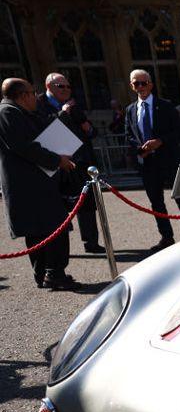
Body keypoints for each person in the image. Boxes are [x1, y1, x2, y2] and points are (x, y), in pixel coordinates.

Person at [0, 78, 77, 288]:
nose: (36, 97)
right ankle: (54, 274)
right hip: (29, 185)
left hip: (34, 183)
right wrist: (57, 160)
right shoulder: (7, 112)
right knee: (51, 228)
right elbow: (24, 147)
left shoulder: (18, 112)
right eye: (33, 93)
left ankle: (45, 274)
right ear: (23, 95)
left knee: (41, 230)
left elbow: (41, 127)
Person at [125, 69, 180, 252]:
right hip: (148, 164)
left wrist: (160, 142)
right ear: (132, 86)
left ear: (151, 84)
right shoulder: (131, 110)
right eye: (136, 84)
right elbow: (129, 136)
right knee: (156, 202)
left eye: (143, 83)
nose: (140, 87)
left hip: (169, 160)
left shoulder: (165, 106)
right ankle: (166, 237)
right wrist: (141, 150)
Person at [37, 72, 104, 253]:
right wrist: (63, 113)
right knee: (56, 207)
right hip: (55, 164)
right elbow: (42, 128)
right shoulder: (38, 104)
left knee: (86, 203)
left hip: (80, 163)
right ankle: (59, 248)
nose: (66, 89)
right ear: (49, 86)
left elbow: (90, 132)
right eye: (61, 86)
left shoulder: (75, 105)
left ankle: (91, 242)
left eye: (68, 86)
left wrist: (88, 127)